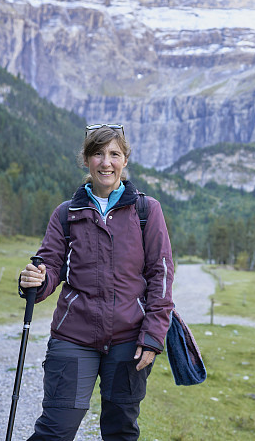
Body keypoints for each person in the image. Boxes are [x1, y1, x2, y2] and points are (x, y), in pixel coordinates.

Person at [19, 123, 175, 441]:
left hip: (129, 340)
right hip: (73, 336)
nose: (106, 162)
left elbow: (160, 275)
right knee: (55, 430)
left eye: (114, 154)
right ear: (87, 160)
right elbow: (49, 268)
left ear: (124, 160)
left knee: (121, 431)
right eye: (98, 154)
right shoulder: (66, 213)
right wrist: (34, 281)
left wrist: (154, 336)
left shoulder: (146, 211)